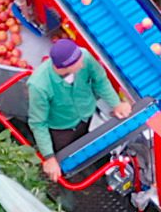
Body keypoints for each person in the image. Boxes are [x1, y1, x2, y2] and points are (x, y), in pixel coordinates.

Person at [27, 38, 131, 181]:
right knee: (67, 162)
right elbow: (38, 123)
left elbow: (100, 80)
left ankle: (96, 170)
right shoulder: (39, 86)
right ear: (64, 67)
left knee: (91, 148)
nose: (82, 64)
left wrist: (116, 104)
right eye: (78, 63)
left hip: (87, 117)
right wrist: (49, 157)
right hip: (61, 130)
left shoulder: (84, 56)